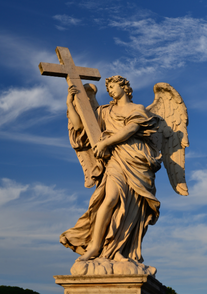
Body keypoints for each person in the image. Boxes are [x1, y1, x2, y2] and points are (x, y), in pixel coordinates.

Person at [60, 75, 162, 263]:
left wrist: (106, 142)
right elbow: (79, 126)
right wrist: (70, 103)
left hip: (137, 159)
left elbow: (130, 129)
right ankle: (95, 246)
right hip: (116, 158)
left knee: (132, 207)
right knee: (111, 198)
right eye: (108, 89)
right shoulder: (104, 112)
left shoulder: (137, 109)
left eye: (113, 86)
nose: (110, 91)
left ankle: (119, 250)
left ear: (125, 87)